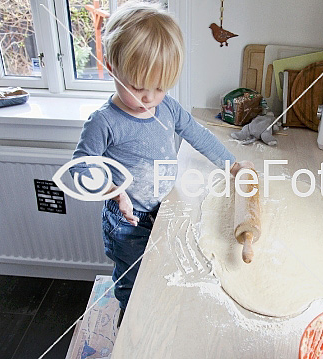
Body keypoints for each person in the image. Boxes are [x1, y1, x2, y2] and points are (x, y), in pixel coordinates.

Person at [70, 1, 251, 327]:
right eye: (138, 87)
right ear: (111, 67)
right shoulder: (104, 122)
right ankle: (132, 329)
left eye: (160, 87)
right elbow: (80, 167)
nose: (150, 97)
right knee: (132, 282)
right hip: (127, 223)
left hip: (163, 209)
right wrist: (111, 189)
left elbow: (198, 134)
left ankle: (154, 320)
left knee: (160, 272)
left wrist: (231, 164)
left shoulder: (167, 107)